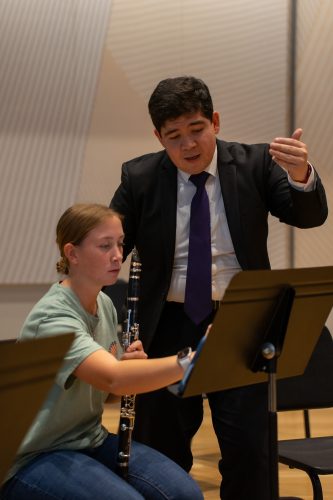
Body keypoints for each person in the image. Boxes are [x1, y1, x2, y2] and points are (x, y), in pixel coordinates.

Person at [110, 76, 328, 500]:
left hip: (240, 322)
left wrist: (300, 173)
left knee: (249, 449)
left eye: (197, 130)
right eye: (173, 137)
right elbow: (111, 244)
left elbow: (308, 216)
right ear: (158, 136)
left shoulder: (254, 164)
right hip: (167, 324)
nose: (188, 145)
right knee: (161, 450)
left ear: (215, 121)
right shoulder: (139, 177)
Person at [0, 203, 204, 500]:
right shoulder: (54, 317)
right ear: (72, 253)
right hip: (34, 455)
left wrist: (128, 371)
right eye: (105, 245)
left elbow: (109, 392)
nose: (118, 255)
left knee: (184, 493)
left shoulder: (104, 304)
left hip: (89, 438)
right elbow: (113, 379)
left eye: (120, 244)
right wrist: (189, 361)